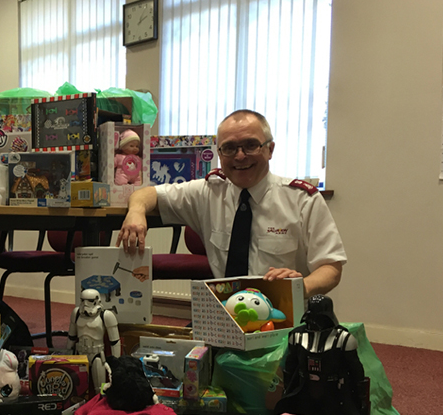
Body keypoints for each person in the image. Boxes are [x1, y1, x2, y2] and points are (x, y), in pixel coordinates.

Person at [117, 109, 346, 297]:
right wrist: (136, 212)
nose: (239, 156)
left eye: (250, 145)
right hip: (226, 317)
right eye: (229, 148)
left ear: (270, 149)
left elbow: (331, 267)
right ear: (219, 153)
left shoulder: (302, 199)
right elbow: (148, 193)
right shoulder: (207, 193)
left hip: (285, 316)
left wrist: (299, 288)